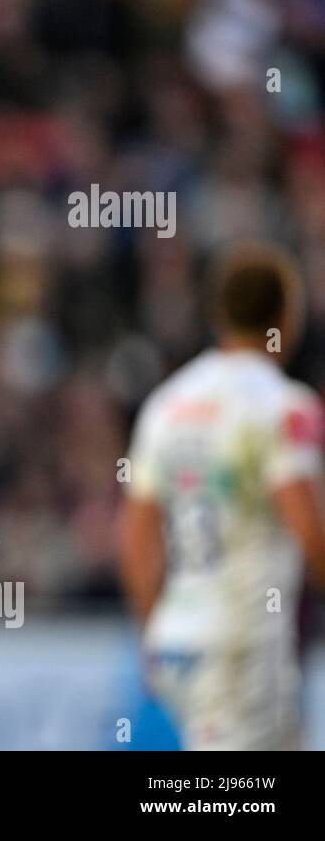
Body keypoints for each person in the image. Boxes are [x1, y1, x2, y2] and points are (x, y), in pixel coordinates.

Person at [120, 241, 325, 750]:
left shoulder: (167, 405)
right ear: (287, 316)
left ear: (218, 313)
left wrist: (155, 628)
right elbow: (310, 532)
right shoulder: (284, 407)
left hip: (180, 638)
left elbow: (136, 536)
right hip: (245, 644)